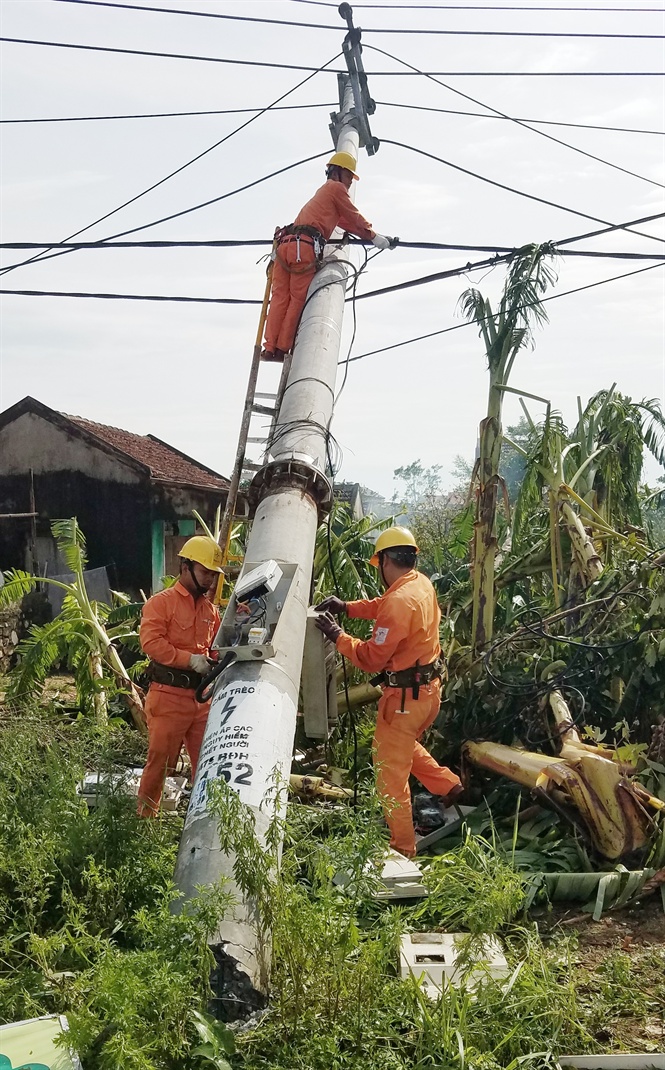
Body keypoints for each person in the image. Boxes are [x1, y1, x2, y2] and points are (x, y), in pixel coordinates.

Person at [315, 526, 462, 857]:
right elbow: (384, 604)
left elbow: (370, 657)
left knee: (389, 778)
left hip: (405, 701)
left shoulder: (398, 602)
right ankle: (448, 784)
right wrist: (348, 607)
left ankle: (403, 848)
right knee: (401, 746)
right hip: (427, 694)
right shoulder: (419, 584)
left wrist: (338, 635)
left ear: (383, 561)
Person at [261, 150, 395, 362]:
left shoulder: (323, 193)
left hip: (285, 246)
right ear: (338, 172)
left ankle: (269, 347)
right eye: (349, 176)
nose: (350, 182)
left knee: (279, 298)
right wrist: (375, 237)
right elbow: (354, 216)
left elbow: (346, 222)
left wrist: (375, 236)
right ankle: (282, 348)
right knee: (297, 299)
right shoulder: (336, 189)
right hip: (301, 251)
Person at [137, 535, 222, 816]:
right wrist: (189, 660)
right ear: (185, 567)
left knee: (207, 764)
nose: (209, 580)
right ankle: (146, 823)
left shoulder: (211, 610)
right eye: (205, 572)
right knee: (160, 764)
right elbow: (151, 643)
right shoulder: (162, 603)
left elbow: (217, 649)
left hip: (201, 699)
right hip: (169, 695)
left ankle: (203, 822)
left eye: (213, 574)